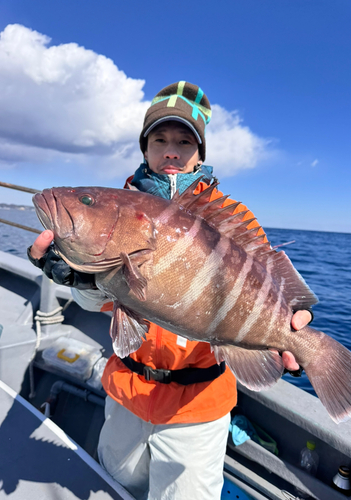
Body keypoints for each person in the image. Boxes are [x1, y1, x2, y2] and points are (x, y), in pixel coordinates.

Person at [28, 82, 312, 500]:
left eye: (184, 141)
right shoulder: (120, 209)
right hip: (127, 395)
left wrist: (291, 328)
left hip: (198, 409)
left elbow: (262, 284)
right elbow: (102, 303)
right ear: (145, 150)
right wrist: (78, 279)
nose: (172, 151)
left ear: (200, 152)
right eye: (159, 140)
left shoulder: (233, 217)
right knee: (115, 487)